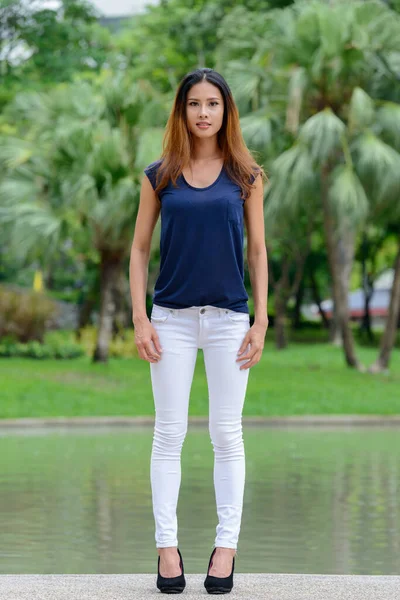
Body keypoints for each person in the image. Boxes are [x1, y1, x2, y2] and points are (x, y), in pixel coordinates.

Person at [129, 67, 269, 594]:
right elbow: (139, 250)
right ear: (181, 110)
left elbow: (257, 251)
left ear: (226, 111)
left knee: (226, 435)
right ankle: (168, 550)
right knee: (169, 435)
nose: (203, 112)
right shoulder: (159, 174)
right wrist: (141, 317)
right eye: (194, 103)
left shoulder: (247, 176)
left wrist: (261, 319)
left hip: (231, 319)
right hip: (170, 321)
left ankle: (225, 548)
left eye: (213, 103)